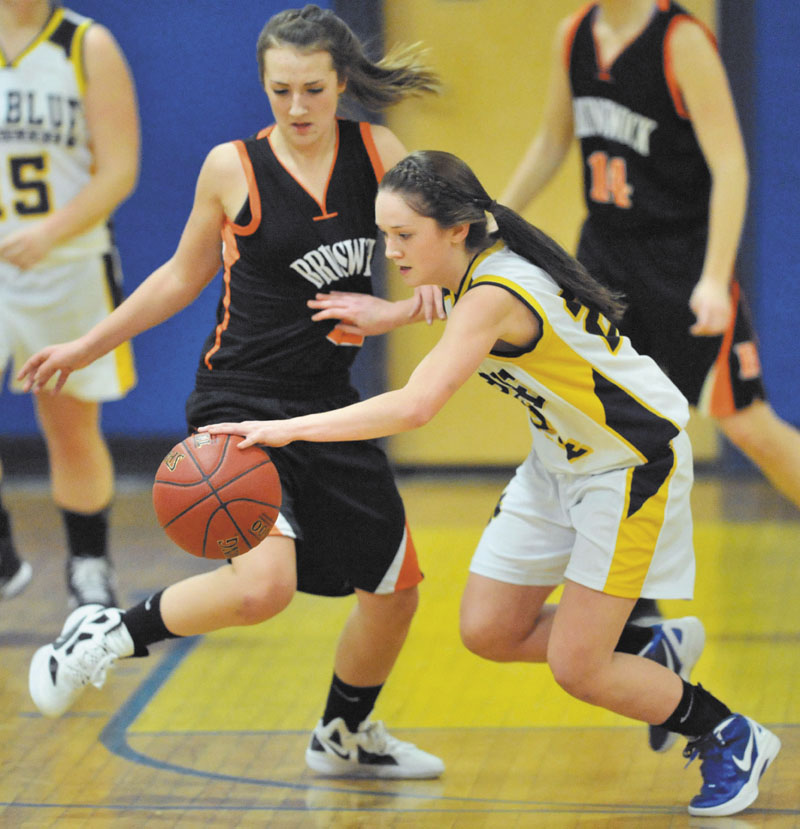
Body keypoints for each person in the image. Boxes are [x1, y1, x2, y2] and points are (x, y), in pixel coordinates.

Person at [191, 150, 778, 817]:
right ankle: (646, 645)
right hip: (559, 462)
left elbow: (414, 406)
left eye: (404, 236)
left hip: (628, 463)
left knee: (577, 667)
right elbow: (445, 305)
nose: (390, 250)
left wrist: (288, 430)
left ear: (457, 230)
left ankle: (728, 734)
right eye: (385, 234)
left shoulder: (496, 291)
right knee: (489, 629)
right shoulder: (476, 270)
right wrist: (392, 315)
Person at [20, 5, 446, 779]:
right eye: (279, 89)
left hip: (333, 407)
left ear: (342, 82)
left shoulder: (378, 152)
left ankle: (343, 735)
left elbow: (440, 265)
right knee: (262, 588)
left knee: (395, 593)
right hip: (240, 401)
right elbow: (182, 277)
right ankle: (105, 635)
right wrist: (88, 342)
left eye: (313, 89)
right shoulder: (232, 167)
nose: (296, 107)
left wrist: (387, 311)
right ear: (263, 84)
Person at [500, 0, 800, 628]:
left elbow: (731, 165)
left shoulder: (680, 40)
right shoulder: (574, 35)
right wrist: (495, 217)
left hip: (682, 265)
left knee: (747, 425)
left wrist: (716, 277)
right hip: (603, 265)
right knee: (609, 432)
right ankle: (638, 606)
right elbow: (554, 141)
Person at [0, 0, 139, 607]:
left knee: (71, 427)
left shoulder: (88, 45)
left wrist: (50, 232)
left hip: (68, 264)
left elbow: (119, 170)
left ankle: (89, 566)